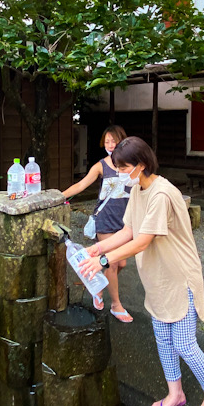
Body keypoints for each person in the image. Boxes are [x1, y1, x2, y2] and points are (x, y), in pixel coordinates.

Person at [79, 136, 204, 406]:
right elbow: (128, 230)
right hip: (157, 279)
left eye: (123, 168)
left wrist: (104, 261)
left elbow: (142, 241)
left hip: (178, 277)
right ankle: (176, 394)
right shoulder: (139, 189)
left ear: (141, 165)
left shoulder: (161, 194)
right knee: (163, 339)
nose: (119, 173)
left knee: (184, 344)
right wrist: (98, 248)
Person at [62, 125, 133, 322]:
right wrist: (59, 196)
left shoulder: (130, 164)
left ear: (122, 141)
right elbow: (81, 185)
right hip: (105, 219)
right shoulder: (101, 166)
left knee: (122, 262)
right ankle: (116, 305)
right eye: (107, 141)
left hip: (125, 221)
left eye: (114, 141)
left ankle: (98, 283)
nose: (110, 145)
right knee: (113, 262)